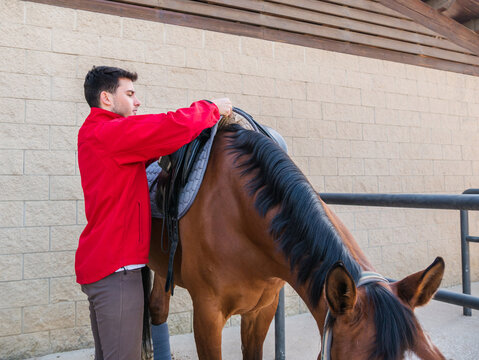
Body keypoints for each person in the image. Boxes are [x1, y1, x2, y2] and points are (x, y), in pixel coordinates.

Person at [76, 65, 232, 360]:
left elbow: (153, 145)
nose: (137, 102)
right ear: (107, 99)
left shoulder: (97, 134)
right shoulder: (110, 132)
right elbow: (166, 126)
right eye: (130, 94)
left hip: (103, 267)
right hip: (117, 272)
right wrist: (212, 108)